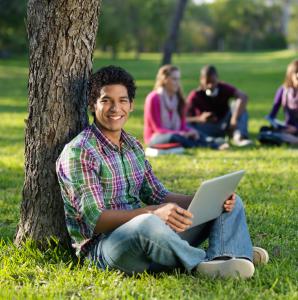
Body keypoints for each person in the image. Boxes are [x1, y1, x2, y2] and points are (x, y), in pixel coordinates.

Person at [56, 66, 268, 279]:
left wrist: (205, 201)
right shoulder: (80, 151)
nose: (115, 108)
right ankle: (205, 261)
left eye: (122, 100)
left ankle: (227, 257)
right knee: (147, 223)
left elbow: (158, 195)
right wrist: (153, 213)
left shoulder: (132, 145)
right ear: (93, 105)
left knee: (228, 202)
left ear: (130, 105)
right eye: (106, 100)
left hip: (151, 240)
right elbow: (96, 220)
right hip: (106, 250)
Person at [144, 65, 226, 150]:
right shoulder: (153, 98)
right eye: (174, 79)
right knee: (174, 137)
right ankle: (210, 145)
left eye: (179, 79)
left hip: (177, 134)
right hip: (155, 138)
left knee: (192, 132)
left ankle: (211, 141)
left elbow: (183, 126)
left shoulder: (179, 99)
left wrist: (189, 131)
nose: (178, 82)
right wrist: (180, 133)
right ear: (164, 80)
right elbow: (158, 129)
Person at [186, 65, 253, 146]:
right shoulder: (196, 94)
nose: (210, 86)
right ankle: (209, 139)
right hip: (206, 127)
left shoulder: (224, 88)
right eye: (207, 83)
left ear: (217, 77)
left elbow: (243, 96)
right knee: (187, 125)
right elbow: (184, 119)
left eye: (213, 82)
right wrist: (200, 119)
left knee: (238, 104)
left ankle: (239, 136)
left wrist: (234, 118)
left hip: (225, 124)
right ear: (201, 79)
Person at [266, 59, 298, 136]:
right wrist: (276, 126)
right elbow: (272, 115)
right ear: (290, 74)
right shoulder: (283, 90)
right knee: (264, 130)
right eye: (296, 72)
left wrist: (296, 129)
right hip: (288, 127)